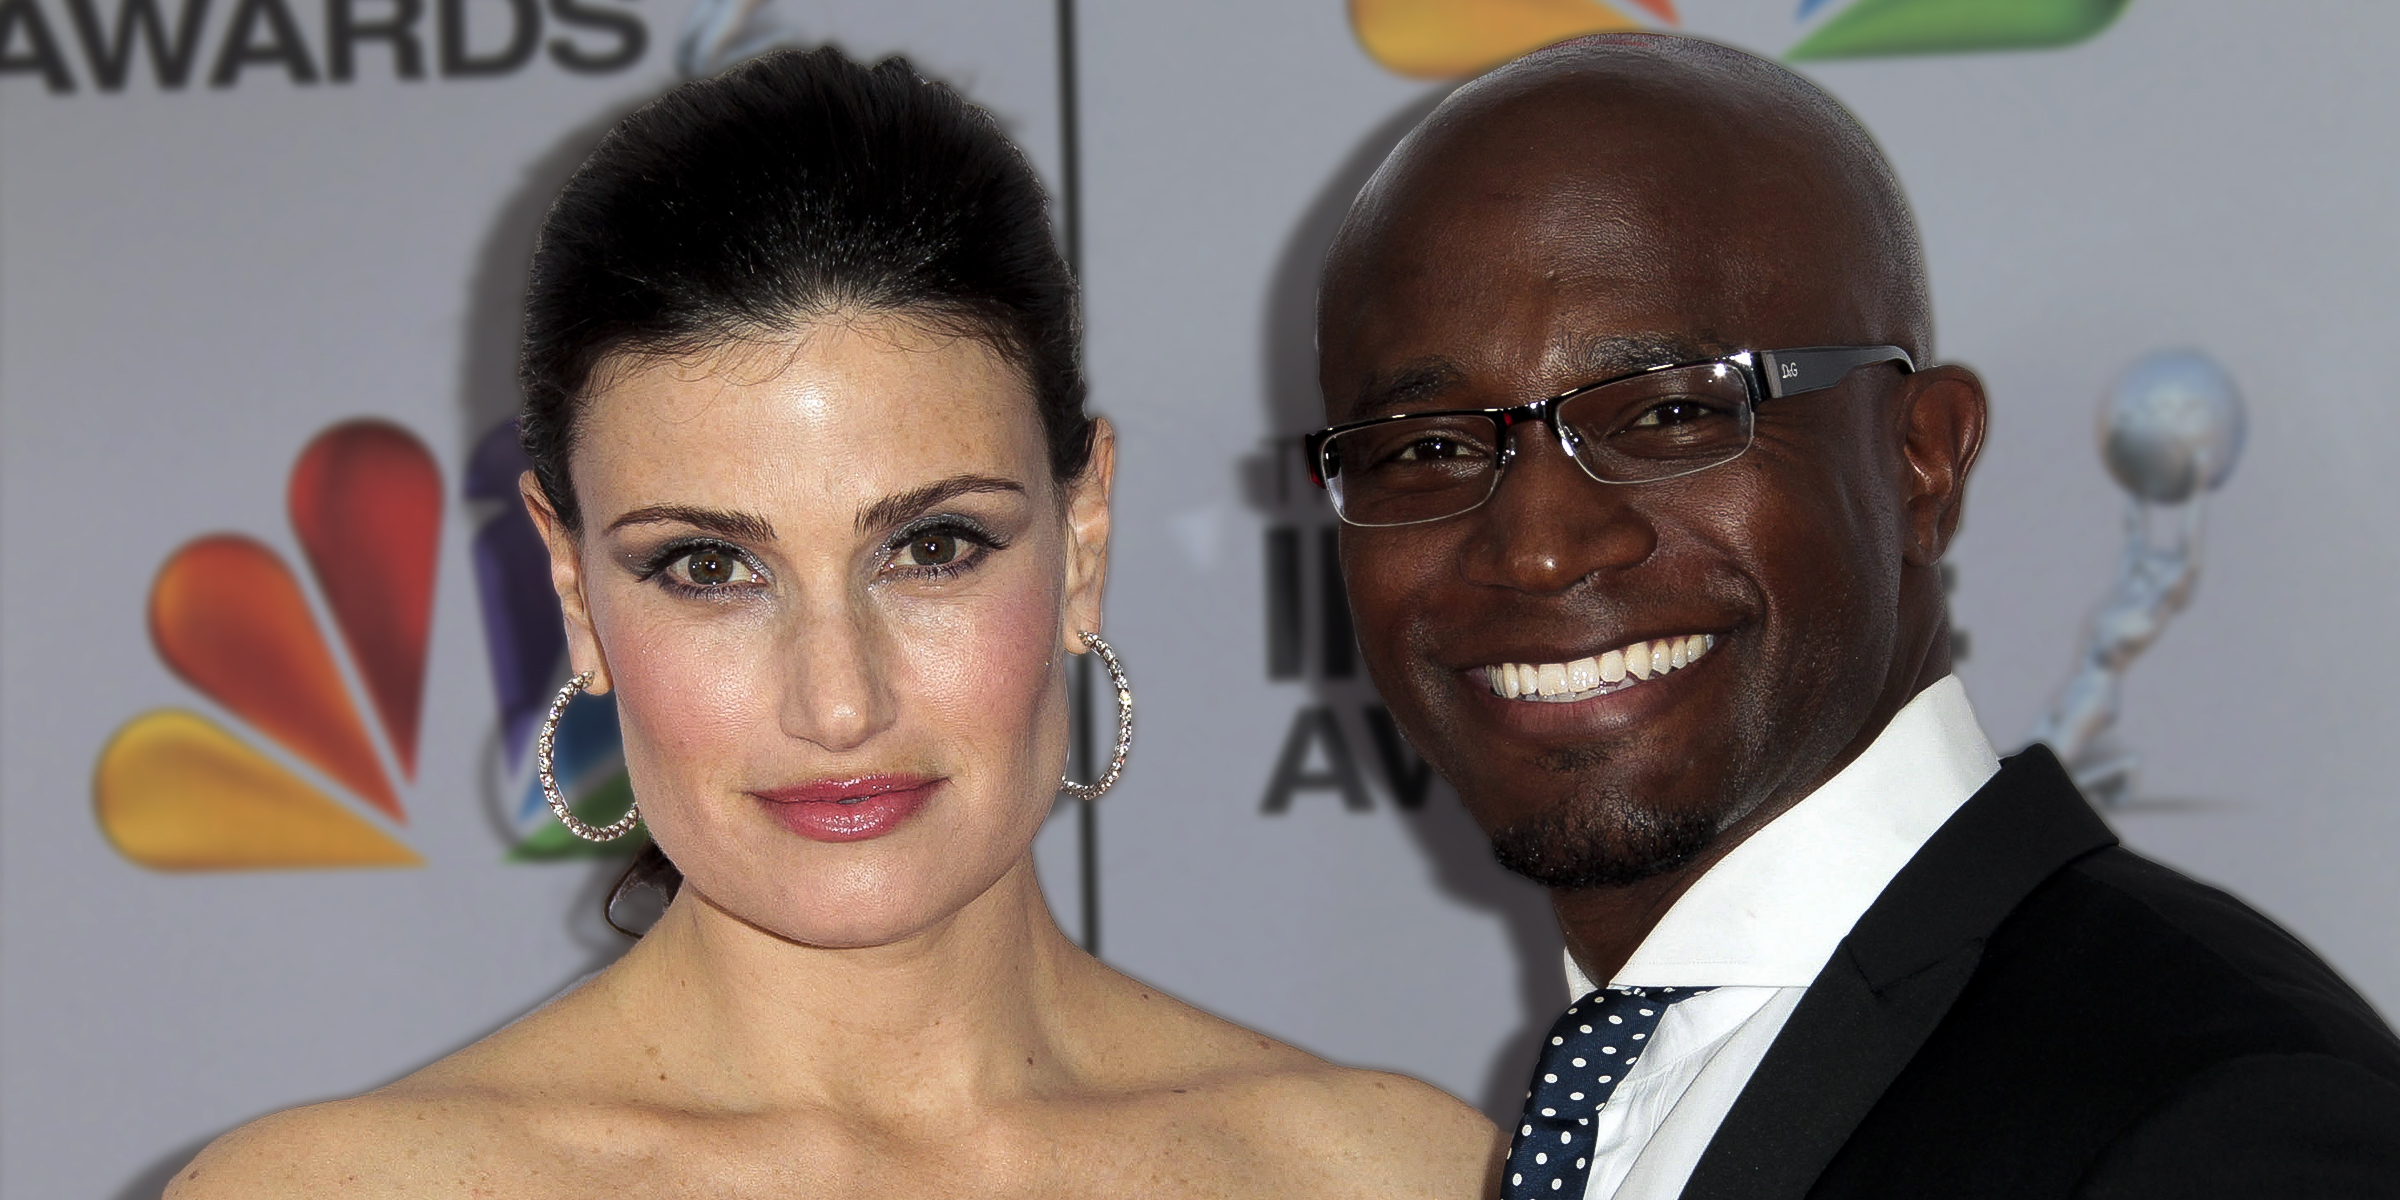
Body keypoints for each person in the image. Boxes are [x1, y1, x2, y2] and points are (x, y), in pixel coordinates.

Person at [169, 47, 1499, 1199]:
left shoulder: (1405, 1176)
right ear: (573, 590)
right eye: (706, 567)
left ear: (1082, 540)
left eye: (931, 548)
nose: (839, 700)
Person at [1308, 32, 2400, 1200]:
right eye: (1424, 447)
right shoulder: (1621, 1092)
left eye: (1671, 414)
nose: (1534, 545)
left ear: (1922, 462)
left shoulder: (2225, 1124)